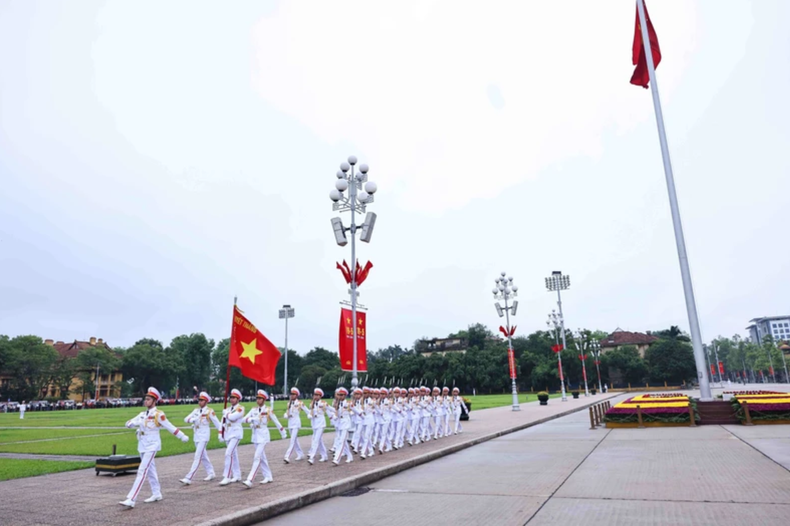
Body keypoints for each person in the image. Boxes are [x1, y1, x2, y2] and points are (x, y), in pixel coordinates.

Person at [119, 387, 189, 509]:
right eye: (145, 399)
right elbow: (128, 423)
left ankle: (131, 498)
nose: (146, 401)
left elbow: (169, 426)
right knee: (150, 470)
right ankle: (156, 493)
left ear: (154, 401)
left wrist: (182, 436)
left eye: (148, 399)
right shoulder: (142, 414)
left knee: (142, 470)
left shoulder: (158, 415)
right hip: (142, 445)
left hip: (152, 445)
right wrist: (133, 424)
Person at [242, 389, 286, 488]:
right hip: (255, 435)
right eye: (257, 398)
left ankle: (250, 479)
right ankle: (268, 476)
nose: (258, 400)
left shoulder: (268, 410)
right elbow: (244, 419)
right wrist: (252, 420)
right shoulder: (253, 410)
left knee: (257, 457)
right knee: (262, 457)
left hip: (263, 435)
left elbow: (276, 421)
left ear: (264, 400)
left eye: (260, 398)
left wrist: (282, 431)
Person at [180, 391, 222, 485]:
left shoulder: (209, 411)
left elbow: (217, 423)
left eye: (202, 400)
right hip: (196, 435)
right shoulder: (196, 411)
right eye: (199, 400)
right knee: (203, 456)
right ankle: (211, 472)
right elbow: (186, 419)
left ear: (206, 401)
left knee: (197, 456)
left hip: (204, 435)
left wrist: (221, 434)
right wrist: (192, 420)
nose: (200, 402)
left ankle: (189, 477)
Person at [219, 388, 245, 486]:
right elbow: (223, 422)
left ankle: (227, 476)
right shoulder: (228, 409)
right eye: (231, 397)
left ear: (238, 399)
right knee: (233, 454)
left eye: (234, 398)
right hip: (228, 433)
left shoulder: (240, 408)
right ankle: (237, 474)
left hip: (236, 433)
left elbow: (233, 417)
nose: (232, 399)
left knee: (228, 453)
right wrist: (220, 434)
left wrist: (226, 414)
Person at [302, 388, 329, 465]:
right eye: (315, 395)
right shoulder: (312, 404)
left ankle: (312, 457)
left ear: (320, 396)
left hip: (321, 424)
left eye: (317, 395)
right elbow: (311, 412)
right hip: (314, 424)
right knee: (319, 441)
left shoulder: (323, 403)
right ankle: (324, 455)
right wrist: (310, 414)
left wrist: (335, 415)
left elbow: (331, 410)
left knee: (315, 440)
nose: (316, 397)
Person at [329, 387, 354, 466]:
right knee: (342, 441)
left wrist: (360, 415)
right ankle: (349, 456)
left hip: (346, 423)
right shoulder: (337, 403)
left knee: (341, 441)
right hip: (339, 423)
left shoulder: (348, 403)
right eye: (339, 395)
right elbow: (335, 411)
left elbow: (355, 411)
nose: (340, 396)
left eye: (342, 395)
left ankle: (336, 459)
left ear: (345, 395)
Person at [283, 387, 305, 463]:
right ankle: (300, 454)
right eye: (291, 394)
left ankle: (287, 456)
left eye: (293, 394)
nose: (291, 396)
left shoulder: (299, 403)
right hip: (290, 423)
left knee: (292, 440)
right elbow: (287, 412)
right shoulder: (289, 403)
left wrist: (311, 415)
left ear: (296, 395)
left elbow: (307, 411)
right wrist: (286, 415)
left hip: (296, 423)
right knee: (295, 440)